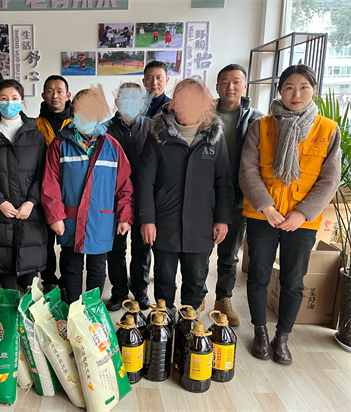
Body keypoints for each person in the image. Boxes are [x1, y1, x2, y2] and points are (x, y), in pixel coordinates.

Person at [240, 64, 341, 365]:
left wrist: (302, 213)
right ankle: (260, 332)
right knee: (258, 275)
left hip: (302, 220)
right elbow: (247, 169)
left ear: (314, 90)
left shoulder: (327, 129)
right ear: (279, 90)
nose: (296, 94)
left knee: (294, 280)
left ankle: (282, 337)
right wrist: (266, 206)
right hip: (263, 215)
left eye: (304, 87)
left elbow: (330, 179)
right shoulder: (261, 126)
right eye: (289, 87)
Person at [136, 78, 233, 312]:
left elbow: (223, 181)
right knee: (164, 280)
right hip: (165, 221)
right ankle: (164, 323)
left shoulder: (214, 136)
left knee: (196, 281)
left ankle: (188, 326)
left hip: (201, 222)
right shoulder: (158, 135)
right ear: (174, 102)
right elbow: (145, 181)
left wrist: (222, 219)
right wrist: (147, 219)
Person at [42, 85, 134, 304]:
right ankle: (73, 308)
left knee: (97, 267)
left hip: (100, 219)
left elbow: (124, 186)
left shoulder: (112, 146)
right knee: (71, 266)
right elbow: (50, 184)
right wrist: (55, 216)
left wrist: (125, 217)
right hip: (69, 219)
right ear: (73, 113)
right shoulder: (60, 145)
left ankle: (91, 310)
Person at [201, 64, 264, 326]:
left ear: (245, 86)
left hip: (238, 195)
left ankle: (223, 299)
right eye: (225, 82)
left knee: (229, 253)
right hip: (204, 194)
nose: (230, 87)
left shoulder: (256, 119)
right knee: (200, 249)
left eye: (236, 81)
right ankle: (198, 294)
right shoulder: (203, 115)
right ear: (217, 86)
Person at [0, 79, 47, 290]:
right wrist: (0, 202)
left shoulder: (35, 135)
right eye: (3, 99)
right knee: (5, 280)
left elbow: (43, 173)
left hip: (30, 213)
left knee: (30, 280)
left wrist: (31, 201)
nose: (9, 103)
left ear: (22, 102)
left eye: (14, 98)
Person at [105, 83, 153, 311]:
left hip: (144, 197)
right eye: (125, 98)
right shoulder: (105, 129)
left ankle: (141, 290)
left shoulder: (152, 128)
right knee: (116, 249)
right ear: (117, 101)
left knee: (142, 247)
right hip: (114, 198)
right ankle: (119, 292)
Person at [36, 75, 72, 289]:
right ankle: (48, 279)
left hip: (72, 191)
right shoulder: (34, 125)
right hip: (44, 191)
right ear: (43, 95)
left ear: (68, 95)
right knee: (45, 241)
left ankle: (68, 281)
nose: (55, 95)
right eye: (50, 91)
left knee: (68, 241)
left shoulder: (77, 124)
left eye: (60, 91)